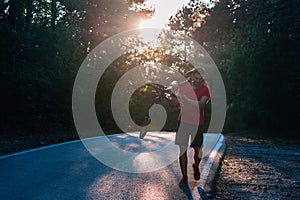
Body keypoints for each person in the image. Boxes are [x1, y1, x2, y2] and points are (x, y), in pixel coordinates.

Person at [170, 68, 210, 186]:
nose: (198, 80)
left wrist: (186, 99)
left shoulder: (205, 89)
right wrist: (173, 97)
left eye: (200, 78)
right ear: (191, 75)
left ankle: (196, 165)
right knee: (182, 150)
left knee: (198, 150)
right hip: (183, 122)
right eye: (196, 77)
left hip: (198, 123)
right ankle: (184, 176)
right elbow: (174, 104)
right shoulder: (183, 87)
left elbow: (202, 104)